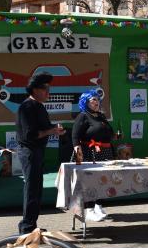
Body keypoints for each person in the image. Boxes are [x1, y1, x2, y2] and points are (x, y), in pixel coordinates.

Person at [16, 72, 66, 234]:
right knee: (31, 189)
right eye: (45, 89)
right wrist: (51, 130)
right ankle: (26, 227)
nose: (48, 93)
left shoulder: (38, 106)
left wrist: (54, 130)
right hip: (29, 152)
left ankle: (31, 225)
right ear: (35, 90)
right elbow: (30, 134)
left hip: (36, 151)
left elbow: (43, 129)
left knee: (36, 189)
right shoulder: (27, 107)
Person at [72, 89, 114, 222]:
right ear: (86, 102)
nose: (97, 102)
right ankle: (89, 209)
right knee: (89, 181)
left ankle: (98, 206)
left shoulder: (101, 116)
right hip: (89, 153)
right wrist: (79, 158)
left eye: (97, 99)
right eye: (93, 100)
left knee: (104, 180)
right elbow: (75, 137)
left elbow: (108, 132)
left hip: (104, 152)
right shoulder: (83, 116)